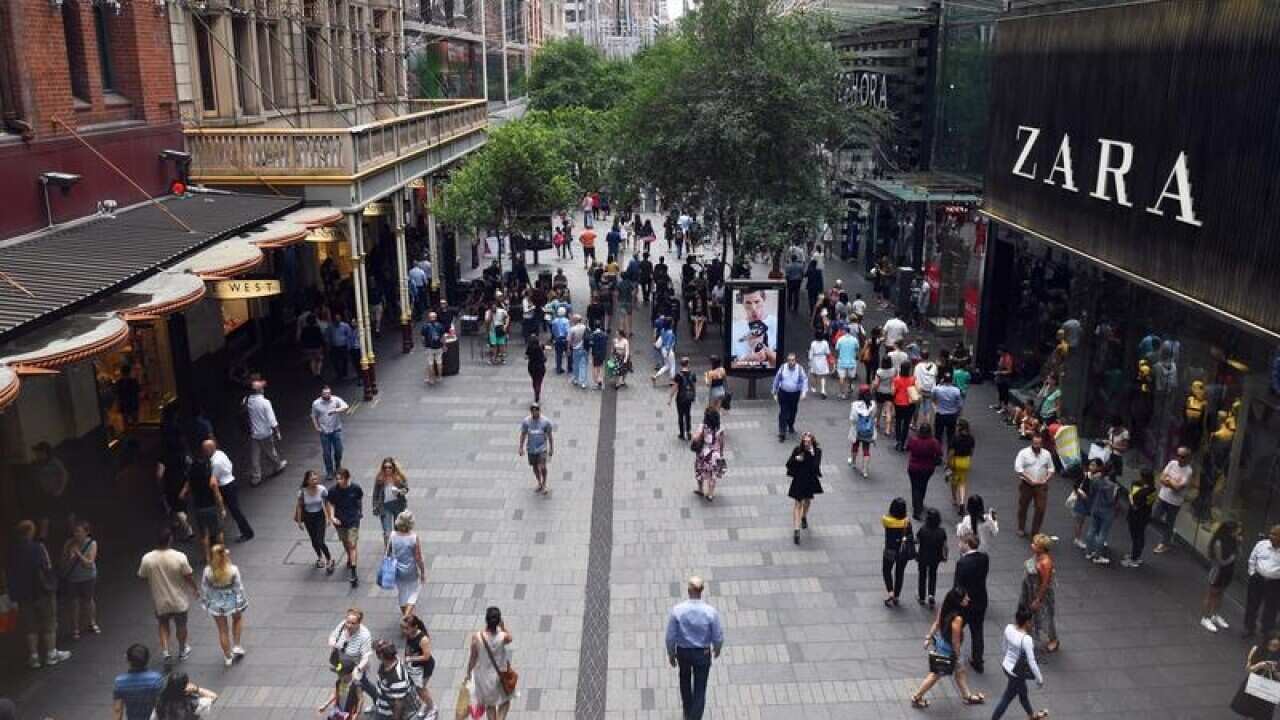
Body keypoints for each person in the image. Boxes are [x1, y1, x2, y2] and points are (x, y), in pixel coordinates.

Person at [8, 520, 70, 669]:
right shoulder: (37, 548)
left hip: (23, 595)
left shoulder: (11, 551)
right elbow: (46, 566)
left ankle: (34, 657)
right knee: (49, 622)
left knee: (31, 626)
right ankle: (51, 654)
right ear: (30, 531)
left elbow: (9, 572)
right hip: (41, 591)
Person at [910, 587, 985, 708]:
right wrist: (958, 655)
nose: (968, 599)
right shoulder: (958, 619)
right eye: (965, 597)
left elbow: (937, 623)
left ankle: (967, 696)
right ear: (958, 601)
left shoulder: (945, 608)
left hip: (942, 643)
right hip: (949, 650)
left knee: (960, 672)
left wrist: (929, 637)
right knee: (935, 675)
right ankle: (917, 697)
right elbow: (955, 641)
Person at [665, 576, 724, 720]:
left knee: (684, 680)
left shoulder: (678, 611)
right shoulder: (710, 612)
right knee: (700, 687)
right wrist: (717, 649)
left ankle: (687, 711)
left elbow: (670, 636)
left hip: (683, 652)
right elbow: (718, 636)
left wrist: (671, 654)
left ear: (688, 590)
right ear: (702, 590)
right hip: (702, 653)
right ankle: (694, 717)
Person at [137, 528, 198, 664]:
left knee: (163, 624)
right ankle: (182, 650)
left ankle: (166, 652)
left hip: (160, 600)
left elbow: (142, 575)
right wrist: (195, 589)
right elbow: (188, 576)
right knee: (181, 625)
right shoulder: (179, 557)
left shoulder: (147, 558)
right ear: (170, 539)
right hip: (179, 600)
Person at [989, 606, 1048, 720]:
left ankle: (1031, 715)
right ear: (1026, 622)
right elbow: (1032, 662)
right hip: (1016, 673)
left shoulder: (1008, 628)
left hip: (1006, 666)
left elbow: (1004, 647)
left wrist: (1011, 657)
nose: (1031, 623)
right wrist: (1039, 679)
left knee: (1023, 693)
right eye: (1030, 621)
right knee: (1007, 697)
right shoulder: (1026, 639)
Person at [200, 544, 248, 667]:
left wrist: (205, 602)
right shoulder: (232, 569)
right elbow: (239, 587)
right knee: (237, 619)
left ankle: (227, 656)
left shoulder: (208, 571)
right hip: (232, 600)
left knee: (222, 629)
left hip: (216, 602)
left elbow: (204, 588)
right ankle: (237, 645)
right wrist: (241, 601)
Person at [323, 608, 374, 716]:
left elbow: (366, 656)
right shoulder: (343, 625)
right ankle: (344, 702)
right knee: (343, 682)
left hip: (355, 665)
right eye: (347, 621)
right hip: (342, 662)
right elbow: (333, 636)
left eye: (352, 623)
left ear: (359, 623)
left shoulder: (365, 635)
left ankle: (376, 698)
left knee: (361, 684)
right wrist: (332, 643)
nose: (349, 625)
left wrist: (357, 669)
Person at [466, 606, 514, 720]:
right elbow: (510, 639)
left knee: (490, 705)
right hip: (501, 674)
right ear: (498, 621)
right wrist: (503, 627)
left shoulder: (477, 637)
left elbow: (473, 657)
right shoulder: (503, 636)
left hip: (483, 677)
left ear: (486, 620)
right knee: (505, 701)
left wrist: (468, 672)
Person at [954, 534, 991, 673]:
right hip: (980, 600)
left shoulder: (962, 563)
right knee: (977, 631)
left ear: (967, 544)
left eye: (961, 543)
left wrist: (957, 600)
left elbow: (958, 585)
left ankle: (950, 654)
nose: (959, 545)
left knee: (956, 628)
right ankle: (977, 660)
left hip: (965, 603)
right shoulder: (984, 558)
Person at [181, 446, 225, 559]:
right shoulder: (210, 477)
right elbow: (216, 493)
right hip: (211, 506)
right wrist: (222, 508)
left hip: (198, 508)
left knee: (204, 534)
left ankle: (207, 556)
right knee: (218, 531)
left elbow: (187, 486)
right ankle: (221, 554)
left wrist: (183, 493)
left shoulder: (192, 477)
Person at [1018, 534, 1059, 653]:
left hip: (1039, 593)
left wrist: (1038, 600)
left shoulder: (1045, 562)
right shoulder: (1037, 556)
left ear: (1042, 548)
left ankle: (1053, 639)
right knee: (1026, 610)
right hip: (1029, 588)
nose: (1032, 545)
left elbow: (1045, 584)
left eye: (1035, 544)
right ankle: (1027, 630)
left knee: (1046, 616)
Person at [243, 379, 287, 486]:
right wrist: (278, 432)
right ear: (260, 391)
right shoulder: (265, 402)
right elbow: (272, 420)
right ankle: (277, 466)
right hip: (265, 433)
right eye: (261, 388)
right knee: (270, 452)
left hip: (254, 433)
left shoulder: (247, 400)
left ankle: (256, 477)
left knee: (255, 456)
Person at [61, 519, 99, 639]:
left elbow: (89, 563)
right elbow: (62, 560)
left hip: (88, 577)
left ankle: (92, 623)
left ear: (86, 532)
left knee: (88, 600)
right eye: (75, 532)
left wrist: (77, 554)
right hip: (73, 578)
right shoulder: (68, 543)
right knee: (74, 603)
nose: (76, 534)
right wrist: (68, 557)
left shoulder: (92, 543)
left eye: (79, 531)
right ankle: (75, 628)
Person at [1153, 446, 1194, 554]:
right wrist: (1172, 482)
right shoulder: (1172, 463)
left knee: (1169, 522)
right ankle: (1169, 534)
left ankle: (1164, 543)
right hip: (1163, 497)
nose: (1180, 458)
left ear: (1188, 458)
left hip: (1175, 502)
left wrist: (1169, 480)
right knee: (1155, 516)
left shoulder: (1188, 471)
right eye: (1178, 455)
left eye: (1183, 456)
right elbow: (1161, 478)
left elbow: (1178, 488)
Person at [1202, 520, 1241, 633]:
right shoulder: (1218, 542)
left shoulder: (1234, 540)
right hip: (1218, 572)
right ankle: (1205, 618)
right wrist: (1233, 558)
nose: (1238, 532)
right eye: (1236, 530)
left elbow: (1240, 554)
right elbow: (1221, 561)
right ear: (1229, 531)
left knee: (1220, 594)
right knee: (1212, 594)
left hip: (1228, 572)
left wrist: (1238, 544)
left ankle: (1215, 615)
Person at [327, 469, 365, 587]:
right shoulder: (333, 491)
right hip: (340, 521)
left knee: (352, 544)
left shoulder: (355, 488)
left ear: (347, 478)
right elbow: (330, 503)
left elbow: (359, 500)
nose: (339, 481)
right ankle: (349, 557)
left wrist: (360, 512)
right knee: (345, 542)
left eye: (341, 478)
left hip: (353, 520)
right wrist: (332, 517)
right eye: (337, 479)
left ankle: (353, 572)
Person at [1231, 632, 1280, 719]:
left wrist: (1274, 671)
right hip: (1255, 683)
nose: (1273, 648)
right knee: (1247, 708)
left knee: (1262, 713)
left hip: (1269, 688)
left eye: (1276, 646)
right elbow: (1248, 669)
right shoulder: (1256, 649)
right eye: (1271, 645)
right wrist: (1260, 665)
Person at [786, 432, 824, 544]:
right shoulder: (797, 450)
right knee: (797, 504)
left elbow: (816, 467)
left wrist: (811, 455)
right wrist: (796, 459)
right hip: (799, 479)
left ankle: (804, 516)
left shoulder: (817, 451)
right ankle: (796, 530)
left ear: (812, 441)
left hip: (810, 480)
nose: (806, 443)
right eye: (804, 441)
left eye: (808, 441)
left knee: (807, 501)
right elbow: (788, 464)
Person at [1084, 457, 1123, 565]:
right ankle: (1097, 556)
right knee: (1102, 533)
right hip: (1106, 511)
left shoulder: (1095, 480)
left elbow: (1091, 492)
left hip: (1095, 507)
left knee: (1092, 529)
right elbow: (1112, 501)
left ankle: (1088, 552)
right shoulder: (1112, 486)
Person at [1014, 433, 1055, 538]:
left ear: (1042, 443)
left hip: (1041, 485)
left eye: (1039, 444)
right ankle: (1021, 528)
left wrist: (1046, 479)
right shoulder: (1023, 453)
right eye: (1035, 443)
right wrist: (1030, 479)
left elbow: (1051, 469)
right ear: (1032, 442)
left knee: (1041, 509)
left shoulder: (1046, 454)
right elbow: (1018, 468)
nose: (1037, 446)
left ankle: (1035, 532)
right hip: (1027, 484)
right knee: (1023, 506)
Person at [295, 470, 335, 574]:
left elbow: (327, 503)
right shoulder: (302, 491)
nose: (315, 481)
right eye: (313, 479)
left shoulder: (322, 489)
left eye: (316, 479)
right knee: (313, 540)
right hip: (308, 518)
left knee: (320, 540)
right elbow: (299, 506)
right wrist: (299, 521)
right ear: (307, 480)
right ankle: (319, 557)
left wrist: (329, 517)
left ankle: (329, 559)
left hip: (319, 516)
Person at [1243, 526, 1280, 639]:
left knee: (1271, 608)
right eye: (1271, 533)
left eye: (1274, 534)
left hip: (1275, 584)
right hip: (1257, 579)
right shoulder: (1262, 545)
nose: (1270, 536)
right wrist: (1252, 573)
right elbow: (1252, 559)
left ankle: (1266, 632)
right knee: (1252, 605)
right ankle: (1249, 628)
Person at [112, 643, 165, 720]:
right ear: (147, 659)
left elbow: (118, 710)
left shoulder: (120, 682)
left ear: (127, 660)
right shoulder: (156, 679)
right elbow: (160, 705)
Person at [390, 511, 427, 618]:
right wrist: (423, 572)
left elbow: (389, 552)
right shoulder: (413, 538)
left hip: (397, 569)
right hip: (410, 569)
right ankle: (407, 615)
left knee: (402, 592)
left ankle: (405, 614)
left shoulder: (393, 535)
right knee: (413, 591)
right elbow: (418, 557)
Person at [364, 639, 413, 719]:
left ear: (381, 656)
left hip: (388, 713)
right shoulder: (388, 661)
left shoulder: (397, 678)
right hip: (381, 705)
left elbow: (399, 703)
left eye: (377, 652)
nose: (375, 654)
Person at [311, 385, 350, 481]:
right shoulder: (316, 404)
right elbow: (313, 416)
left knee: (339, 450)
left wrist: (335, 410)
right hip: (324, 431)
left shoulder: (335, 400)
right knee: (327, 453)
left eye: (329, 393)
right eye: (325, 393)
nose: (327, 395)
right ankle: (329, 471)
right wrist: (317, 427)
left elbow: (345, 406)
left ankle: (337, 465)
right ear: (321, 394)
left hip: (336, 430)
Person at [1121, 469, 1158, 568]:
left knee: (1136, 536)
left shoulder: (1143, 492)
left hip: (1137, 516)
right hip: (1145, 515)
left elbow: (1135, 505)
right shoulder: (1153, 489)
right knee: (1139, 535)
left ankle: (1134, 559)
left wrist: (1130, 497)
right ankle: (1135, 555)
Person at [401, 614, 436, 719]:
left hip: (425, 667)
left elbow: (426, 656)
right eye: (402, 628)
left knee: (421, 689)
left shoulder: (423, 639)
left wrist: (410, 659)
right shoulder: (409, 635)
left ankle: (432, 708)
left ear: (415, 627)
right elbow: (408, 648)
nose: (404, 630)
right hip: (415, 667)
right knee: (418, 689)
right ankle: (427, 704)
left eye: (406, 628)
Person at [906, 424, 943, 521]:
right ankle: (920, 502)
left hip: (914, 467)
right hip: (927, 468)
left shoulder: (914, 440)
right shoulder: (933, 442)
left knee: (915, 487)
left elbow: (908, 448)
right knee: (923, 485)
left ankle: (916, 508)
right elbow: (940, 453)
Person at [518, 403, 555, 495]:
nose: (535, 413)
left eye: (537, 410)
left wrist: (551, 448)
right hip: (531, 448)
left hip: (542, 448)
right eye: (533, 411)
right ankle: (539, 482)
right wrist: (521, 447)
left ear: (539, 411)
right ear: (531, 412)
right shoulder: (526, 421)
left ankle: (544, 483)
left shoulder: (546, 422)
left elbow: (550, 436)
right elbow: (523, 434)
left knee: (542, 466)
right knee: (534, 467)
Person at [882, 498, 912, 607]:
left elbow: (884, 520)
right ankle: (897, 596)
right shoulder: (907, 522)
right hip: (902, 552)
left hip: (890, 550)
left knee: (886, 570)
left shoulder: (887, 521)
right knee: (899, 573)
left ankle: (890, 592)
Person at [771, 354, 809, 443]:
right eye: (789, 360)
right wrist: (774, 392)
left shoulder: (799, 369)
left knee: (793, 411)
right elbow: (777, 379)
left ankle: (790, 424)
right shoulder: (783, 368)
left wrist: (804, 392)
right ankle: (782, 433)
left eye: (793, 360)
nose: (791, 362)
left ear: (795, 361)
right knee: (783, 412)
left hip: (795, 394)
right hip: (783, 393)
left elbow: (804, 380)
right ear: (787, 361)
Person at [916, 508, 948, 608]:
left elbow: (917, 541)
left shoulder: (923, 529)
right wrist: (945, 556)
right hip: (936, 557)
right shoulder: (941, 531)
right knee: (933, 575)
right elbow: (945, 546)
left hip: (923, 556)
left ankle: (922, 597)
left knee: (922, 576)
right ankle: (931, 594)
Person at [373, 458, 409, 545]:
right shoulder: (380, 479)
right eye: (385, 467)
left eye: (389, 467)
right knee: (387, 532)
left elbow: (406, 489)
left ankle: (397, 549)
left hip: (398, 505)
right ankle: (388, 553)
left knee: (398, 530)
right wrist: (375, 505)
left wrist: (399, 492)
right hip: (385, 507)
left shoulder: (399, 478)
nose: (387, 469)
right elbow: (375, 494)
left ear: (393, 467)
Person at [692, 409, 726, 502]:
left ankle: (700, 489)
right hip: (715, 454)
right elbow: (722, 442)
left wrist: (696, 436)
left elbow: (695, 438)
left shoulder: (703, 427)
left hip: (703, 454)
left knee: (700, 471)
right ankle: (710, 494)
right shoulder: (720, 429)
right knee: (712, 474)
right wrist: (721, 452)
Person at [152, 672, 217, 719]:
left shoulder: (160, 701)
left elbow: (154, 717)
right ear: (185, 687)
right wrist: (196, 689)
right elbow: (214, 696)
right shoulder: (193, 703)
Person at [947, 419, 975, 513]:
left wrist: (948, 463)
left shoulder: (955, 438)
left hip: (956, 461)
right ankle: (962, 502)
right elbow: (971, 452)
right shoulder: (971, 438)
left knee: (954, 481)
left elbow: (951, 452)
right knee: (962, 483)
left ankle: (955, 499)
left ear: (960, 427)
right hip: (966, 461)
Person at [849, 386, 876, 478]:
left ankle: (853, 462)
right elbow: (873, 417)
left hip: (857, 430)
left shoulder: (855, 404)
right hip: (868, 431)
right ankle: (864, 470)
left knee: (855, 446)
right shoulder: (872, 404)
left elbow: (852, 418)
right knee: (866, 449)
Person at [670, 356, 698, 440]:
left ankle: (682, 434)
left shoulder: (678, 375)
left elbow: (675, 387)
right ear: (688, 364)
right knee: (688, 414)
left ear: (681, 364)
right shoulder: (692, 374)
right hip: (688, 397)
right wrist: (694, 395)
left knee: (680, 415)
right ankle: (688, 431)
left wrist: (670, 398)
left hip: (680, 398)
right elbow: (694, 386)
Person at [932, 373, 963, 447]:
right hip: (952, 415)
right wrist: (958, 414)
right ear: (951, 381)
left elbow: (933, 399)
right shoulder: (956, 390)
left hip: (940, 415)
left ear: (943, 380)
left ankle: (938, 454)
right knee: (951, 436)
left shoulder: (937, 389)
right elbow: (959, 405)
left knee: (938, 435)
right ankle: (950, 452)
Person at [891, 363, 917, 451]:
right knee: (906, 423)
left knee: (898, 421)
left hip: (899, 403)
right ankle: (903, 441)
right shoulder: (913, 379)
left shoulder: (897, 380)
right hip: (910, 404)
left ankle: (898, 440)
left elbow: (893, 392)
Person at [421, 311, 447, 385]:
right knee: (439, 362)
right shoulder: (440, 326)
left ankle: (432, 379)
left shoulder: (425, 326)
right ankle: (440, 377)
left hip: (429, 347)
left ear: (429, 318)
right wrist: (444, 345)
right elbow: (443, 337)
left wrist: (425, 345)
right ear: (436, 318)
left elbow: (422, 338)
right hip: (438, 347)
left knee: (430, 363)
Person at [834, 328, 859, 400]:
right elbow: (857, 348)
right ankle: (850, 386)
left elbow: (837, 349)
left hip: (842, 361)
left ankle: (842, 393)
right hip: (851, 361)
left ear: (844, 331)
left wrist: (837, 357)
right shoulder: (854, 339)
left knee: (842, 377)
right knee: (851, 376)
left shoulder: (840, 339)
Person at [807, 332, 832, 398]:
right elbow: (828, 352)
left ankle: (814, 387)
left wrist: (809, 360)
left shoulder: (813, 343)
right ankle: (823, 390)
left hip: (815, 359)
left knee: (814, 374)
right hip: (823, 359)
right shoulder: (825, 343)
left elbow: (811, 353)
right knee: (823, 376)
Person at [524, 335, 547, 403]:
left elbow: (526, 357)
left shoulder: (529, 348)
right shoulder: (541, 347)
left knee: (534, 380)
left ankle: (536, 391)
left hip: (532, 367)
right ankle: (537, 391)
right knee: (539, 381)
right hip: (540, 367)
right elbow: (544, 359)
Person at [569, 314, 589, 389]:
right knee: (583, 365)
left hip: (576, 348)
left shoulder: (572, 329)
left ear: (575, 321)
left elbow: (569, 340)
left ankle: (576, 379)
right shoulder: (585, 327)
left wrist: (568, 349)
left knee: (576, 365)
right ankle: (583, 382)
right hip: (585, 348)